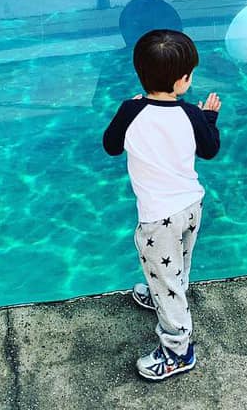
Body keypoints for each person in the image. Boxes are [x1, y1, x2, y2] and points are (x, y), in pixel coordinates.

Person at [102, 29, 221, 381]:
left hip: (158, 218)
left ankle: (178, 350)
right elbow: (210, 150)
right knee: (178, 265)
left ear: (140, 74)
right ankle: (168, 292)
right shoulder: (192, 115)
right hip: (191, 206)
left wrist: (130, 109)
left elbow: (110, 145)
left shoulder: (130, 111)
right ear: (183, 81)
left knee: (164, 273)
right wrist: (209, 118)